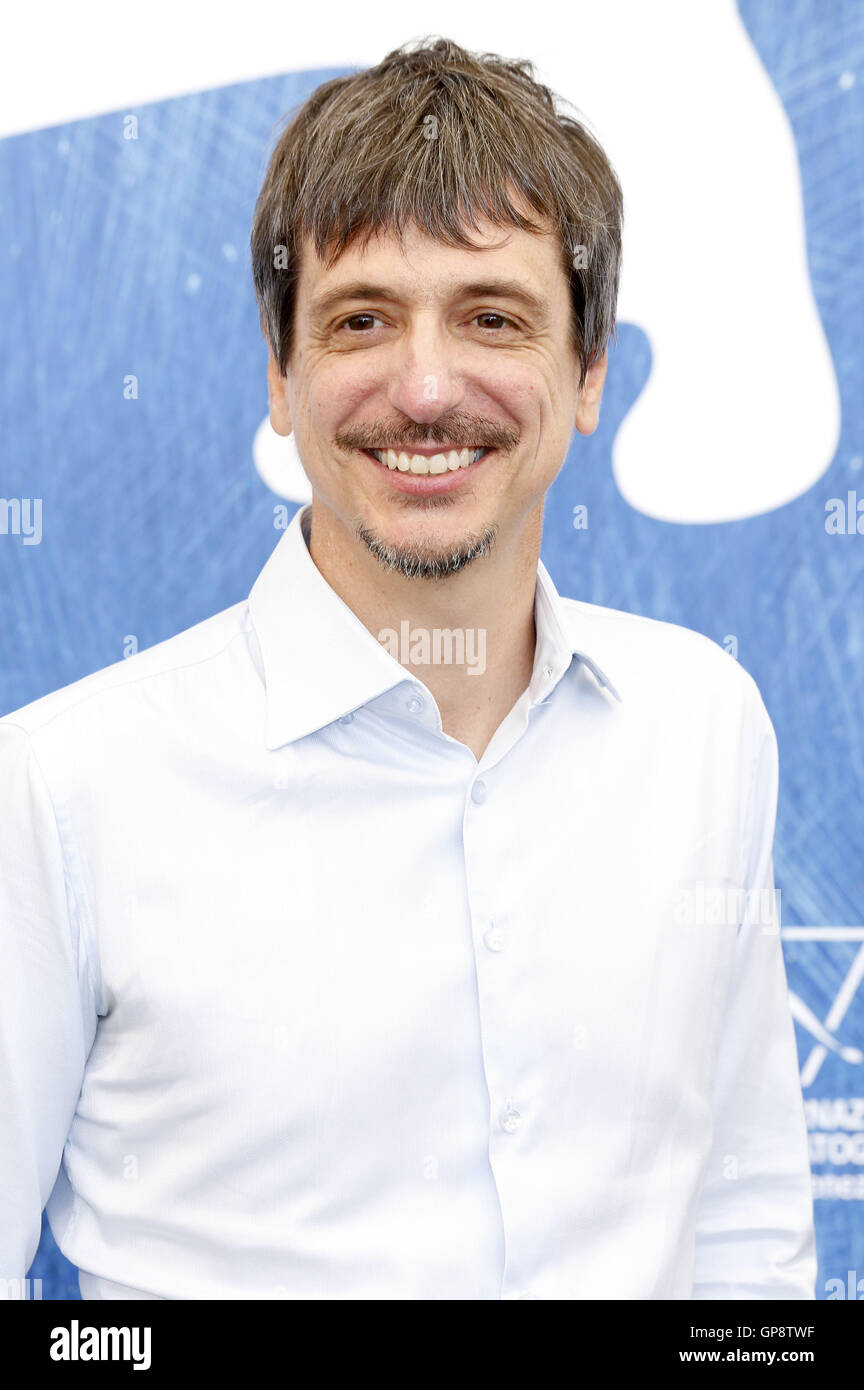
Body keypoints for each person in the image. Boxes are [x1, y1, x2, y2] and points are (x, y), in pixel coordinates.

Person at [0, 36, 815, 1300]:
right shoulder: (58, 789)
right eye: (362, 320)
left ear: (587, 371)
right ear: (282, 377)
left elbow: (747, 1228)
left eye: (492, 317)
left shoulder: (705, 726)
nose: (426, 387)